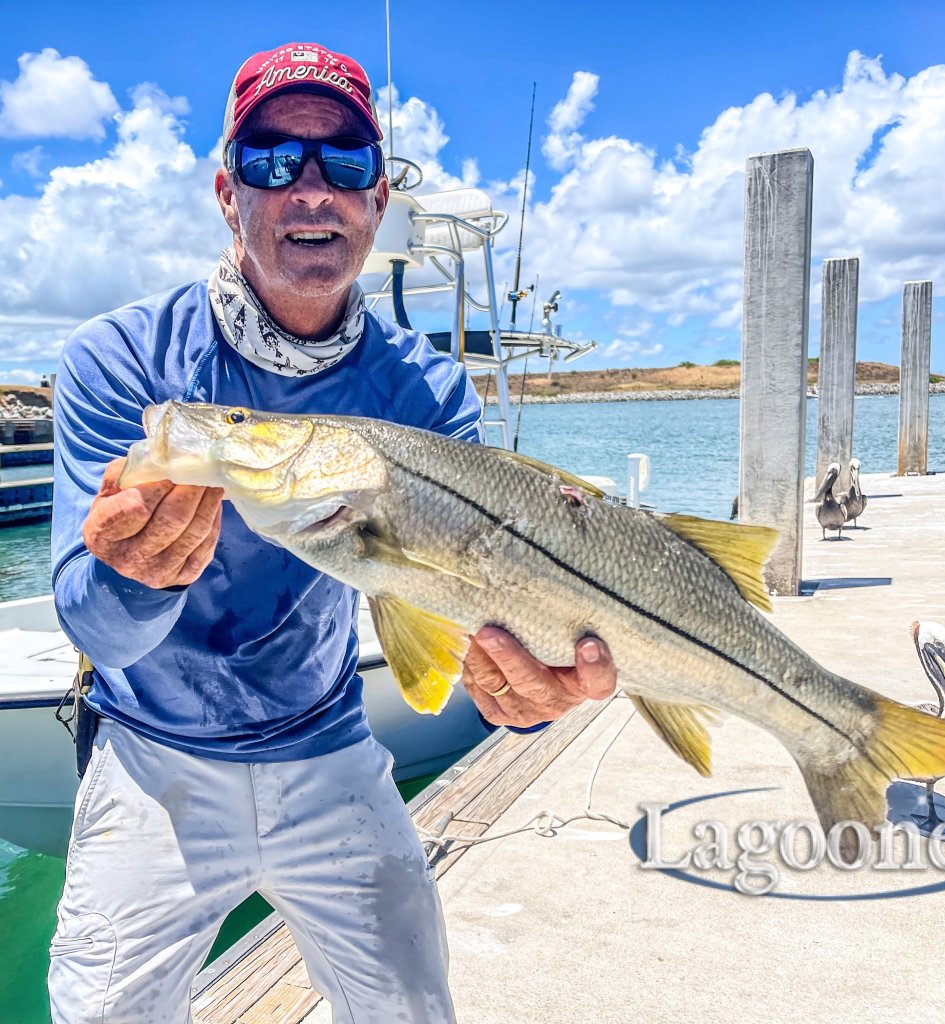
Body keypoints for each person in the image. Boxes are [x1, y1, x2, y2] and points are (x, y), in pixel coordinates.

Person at [48, 42, 616, 1024]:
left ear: (377, 197)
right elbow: (101, 632)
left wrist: (521, 683)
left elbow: (463, 604)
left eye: (344, 163)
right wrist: (135, 578)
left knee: (412, 1006)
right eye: (272, 160)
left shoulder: (425, 392)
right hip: (153, 750)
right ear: (229, 194)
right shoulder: (122, 361)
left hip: (329, 741)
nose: (311, 189)